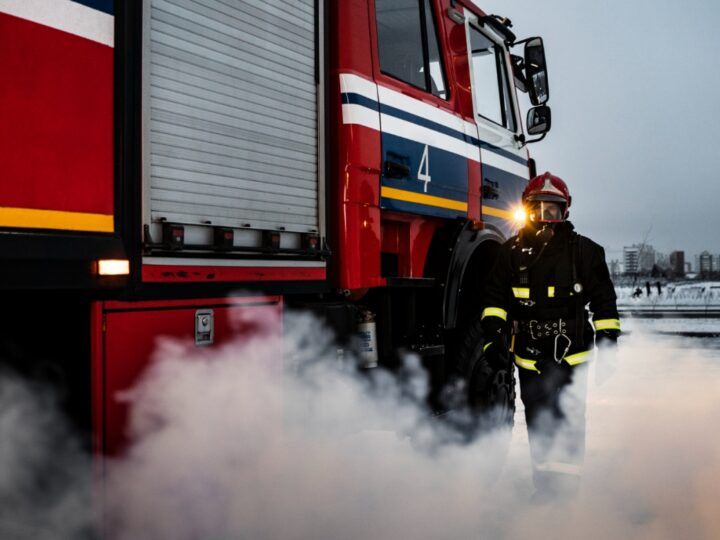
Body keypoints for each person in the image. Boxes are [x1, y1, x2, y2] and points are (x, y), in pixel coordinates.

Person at [480, 172, 620, 501]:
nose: (545, 217)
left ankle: (566, 493)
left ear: (565, 212)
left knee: (569, 419)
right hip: (530, 356)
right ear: (525, 210)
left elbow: (604, 301)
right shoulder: (510, 253)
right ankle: (545, 489)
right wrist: (492, 337)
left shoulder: (585, 252)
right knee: (539, 421)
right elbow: (494, 300)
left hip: (572, 356)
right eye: (537, 209)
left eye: (552, 210)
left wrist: (609, 343)